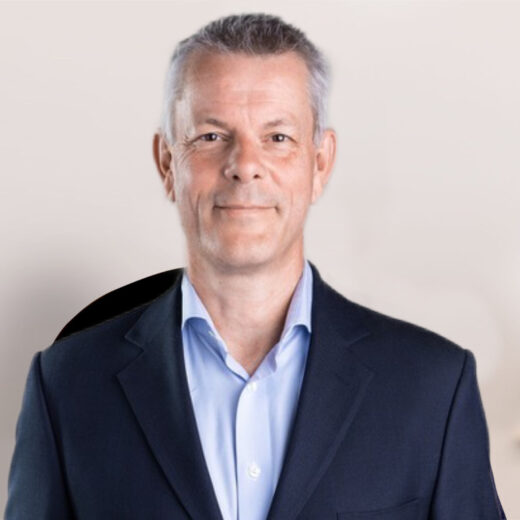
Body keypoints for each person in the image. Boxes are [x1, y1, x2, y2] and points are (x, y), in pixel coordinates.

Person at [5, 13, 506, 520]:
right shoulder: (65, 388)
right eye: (211, 136)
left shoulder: (433, 388)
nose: (245, 165)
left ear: (320, 163)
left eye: (278, 137)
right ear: (167, 163)